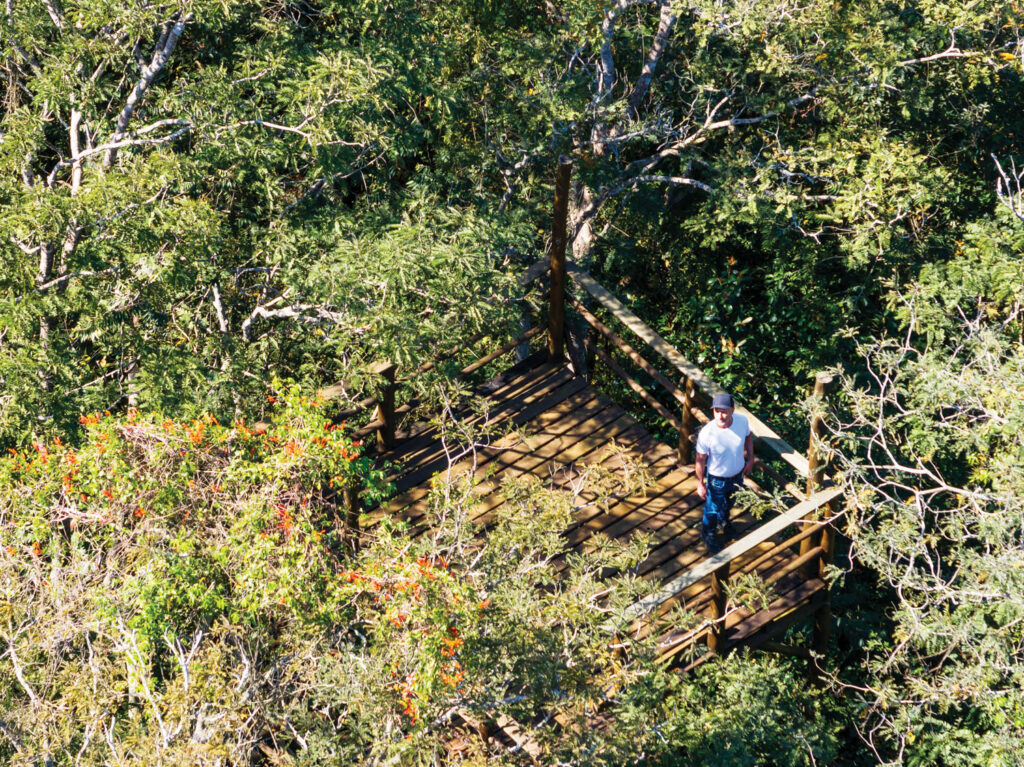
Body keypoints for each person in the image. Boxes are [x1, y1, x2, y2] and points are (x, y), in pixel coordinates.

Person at [695, 392, 754, 554]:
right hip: (717, 479)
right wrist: (700, 483)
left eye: (724, 411)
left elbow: (748, 438)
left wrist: (750, 460)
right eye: (717, 411)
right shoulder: (707, 433)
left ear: (732, 411)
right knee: (712, 509)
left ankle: (723, 522)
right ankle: (708, 534)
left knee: (729, 503)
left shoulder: (742, 421)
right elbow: (700, 459)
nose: (720, 415)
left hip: (738, 476)